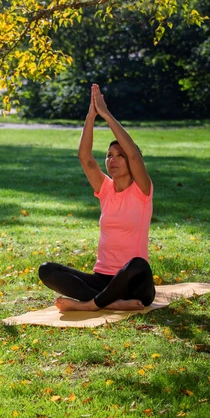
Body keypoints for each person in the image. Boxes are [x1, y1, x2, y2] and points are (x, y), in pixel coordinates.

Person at [38, 84, 156, 312]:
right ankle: (111, 302)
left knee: (138, 264)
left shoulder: (142, 190)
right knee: (47, 270)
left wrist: (106, 114)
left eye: (120, 155)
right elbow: (85, 158)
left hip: (134, 283)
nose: (113, 159)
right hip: (102, 280)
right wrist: (91, 116)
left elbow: (134, 154)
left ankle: (91, 305)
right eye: (109, 155)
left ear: (132, 162)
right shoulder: (105, 188)